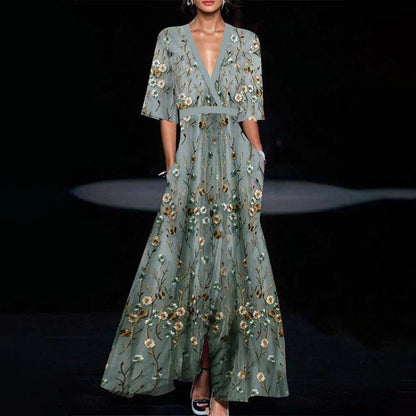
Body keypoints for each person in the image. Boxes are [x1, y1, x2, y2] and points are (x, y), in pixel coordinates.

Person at [100, 1, 289, 415]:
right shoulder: (169, 40)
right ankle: (203, 371)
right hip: (191, 163)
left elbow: (249, 107)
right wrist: (172, 167)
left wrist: (258, 155)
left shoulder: (246, 42)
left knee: (232, 271)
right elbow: (166, 110)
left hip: (235, 161)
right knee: (191, 270)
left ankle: (222, 385)